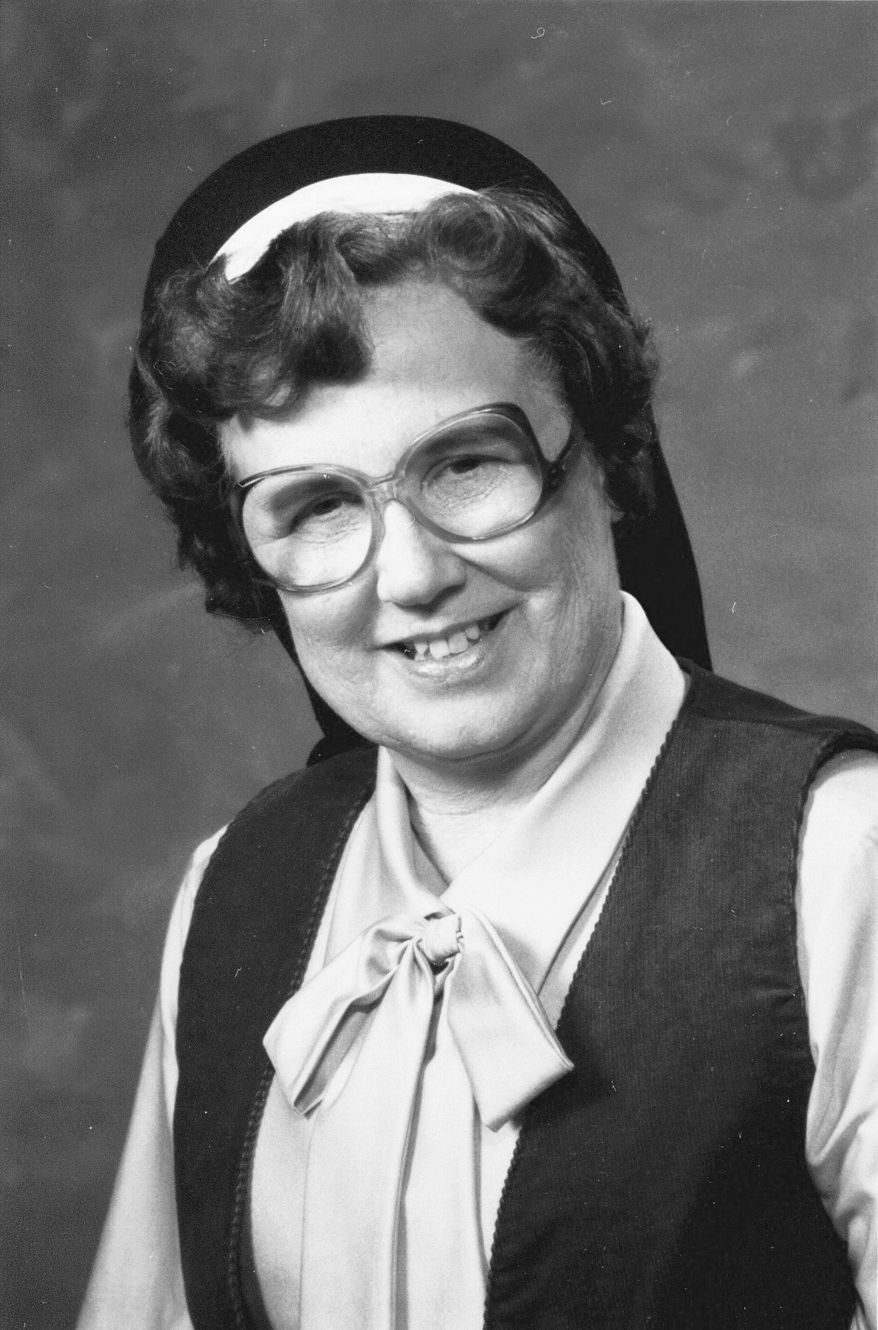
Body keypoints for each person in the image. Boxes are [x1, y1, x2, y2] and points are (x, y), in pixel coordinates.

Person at [77, 117, 877, 1330]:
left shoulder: (839, 863)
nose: (407, 577)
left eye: (462, 464)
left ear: (603, 457)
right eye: (313, 505)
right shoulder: (231, 890)